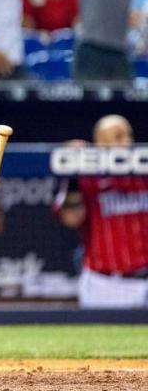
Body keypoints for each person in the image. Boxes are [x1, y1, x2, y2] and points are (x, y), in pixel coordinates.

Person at [55, 115, 148, 308]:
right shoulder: (87, 178)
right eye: (118, 137)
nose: (127, 142)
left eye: (128, 135)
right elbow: (71, 218)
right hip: (103, 284)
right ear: (100, 143)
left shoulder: (143, 176)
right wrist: (73, 173)